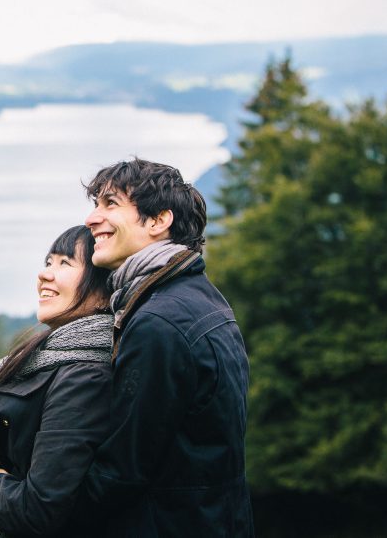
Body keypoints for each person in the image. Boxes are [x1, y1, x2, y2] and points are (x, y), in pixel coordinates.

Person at [80, 158, 253, 536]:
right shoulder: (201, 298)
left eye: (110, 204)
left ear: (159, 221)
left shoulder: (158, 323)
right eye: (95, 205)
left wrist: (22, 498)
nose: (92, 219)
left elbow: (121, 472)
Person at [0, 225, 114, 537]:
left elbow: (41, 508)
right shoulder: (54, 356)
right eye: (48, 262)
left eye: (65, 263)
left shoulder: (85, 377)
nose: (45, 275)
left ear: (102, 292)